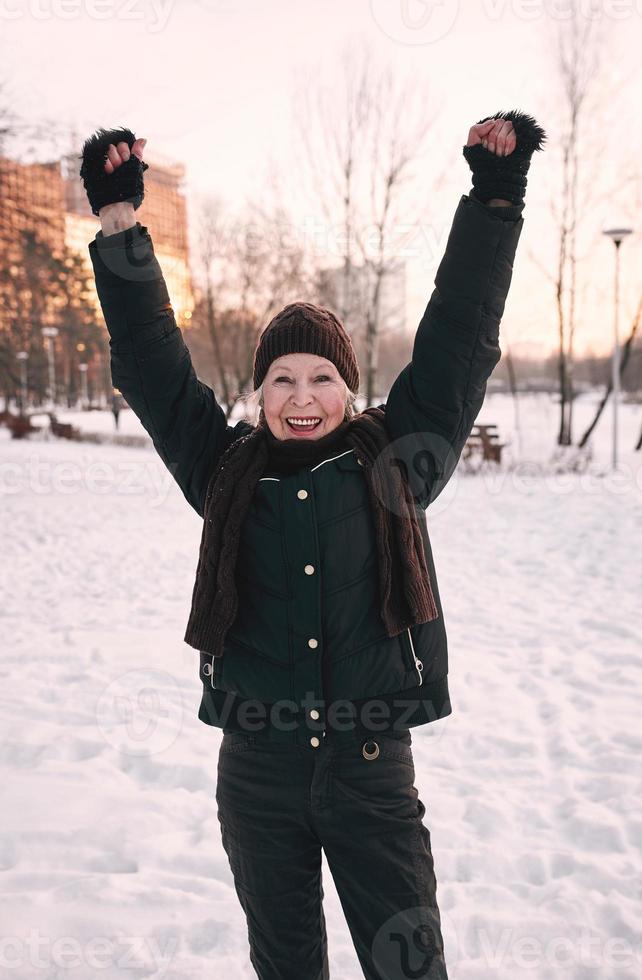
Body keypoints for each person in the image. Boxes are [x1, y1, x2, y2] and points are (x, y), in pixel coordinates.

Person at [80, 110, 546, 980]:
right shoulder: (223, 473)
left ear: (349, 389)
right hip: (257, 775)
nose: (302, 396)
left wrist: (493, 199)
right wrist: (118, 227)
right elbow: (150, 363)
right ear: (258, 393)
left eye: (322, 378)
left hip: (372, 775)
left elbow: (457, 342)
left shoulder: (397, 466)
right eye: (282, 380)